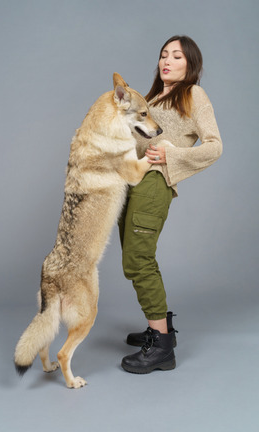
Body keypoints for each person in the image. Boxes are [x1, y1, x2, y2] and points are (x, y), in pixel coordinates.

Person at [119, 35, 222, 374]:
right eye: (164, 55)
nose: (167, 61)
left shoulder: (193, 94)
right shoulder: (151, 97)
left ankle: (161, 347)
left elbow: (214, 146)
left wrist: (171, 154)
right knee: (134, 256)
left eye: (177, 56)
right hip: (133, 180)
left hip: (154, 182)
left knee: (138, 259)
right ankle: (160, 328)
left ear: (190, 64)